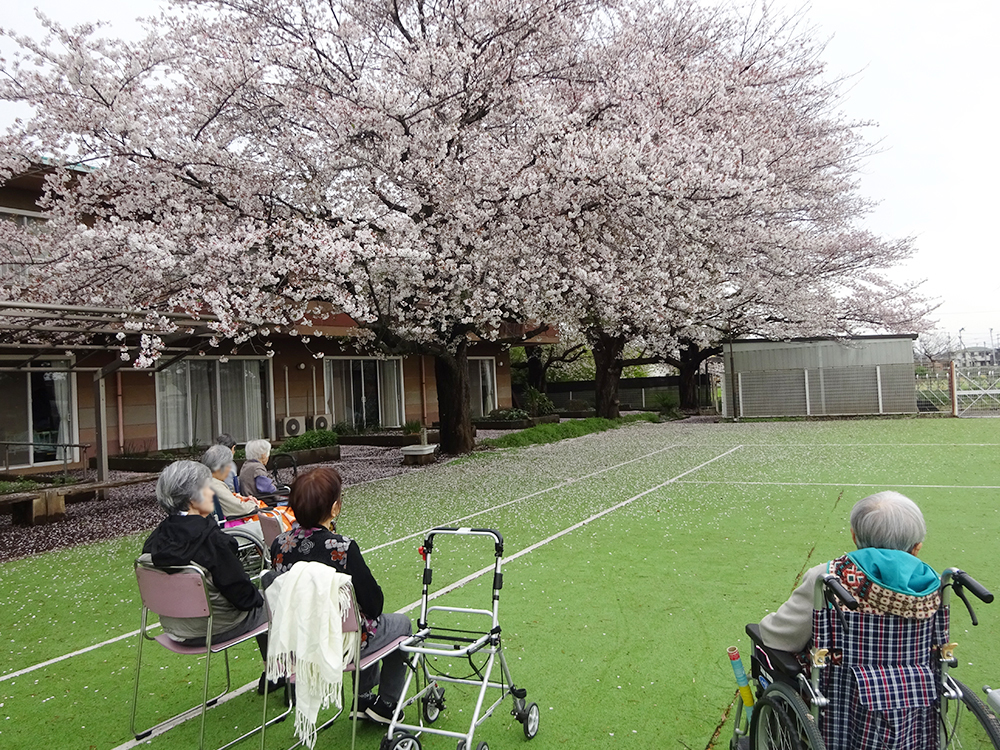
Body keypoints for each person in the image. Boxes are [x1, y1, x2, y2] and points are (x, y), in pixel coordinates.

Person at [269, 467, 412, 724]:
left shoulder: (279, 544)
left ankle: (364, 698)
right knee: (398, 624)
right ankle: (387, 702)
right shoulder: (342, 547)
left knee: (361, 622)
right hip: (342, 642)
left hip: (298, 639)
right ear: (335, 508)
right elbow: (374, 604)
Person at [139, 460, 282, 694]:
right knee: (275, 594)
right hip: (217, 627)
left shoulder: (154, 541)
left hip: (175, 628)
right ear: (193, 498)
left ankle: (274, 673)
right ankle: (280, 673)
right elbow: (244, 598)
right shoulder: (211, 542)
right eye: (208, 488)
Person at [758, 491, 941, 653]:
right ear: (917, 548)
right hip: (917, 682)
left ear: (854, 536)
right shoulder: (935, 585)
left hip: (841, 685)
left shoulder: (828, 577)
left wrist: (765, 626)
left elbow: (781, 637)